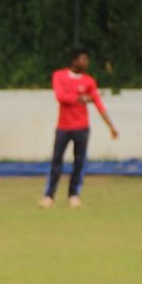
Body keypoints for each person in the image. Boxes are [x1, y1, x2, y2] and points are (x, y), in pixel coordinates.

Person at [40, 48, 118, 209]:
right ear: (74, 60)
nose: (86, 63)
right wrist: (80, 98)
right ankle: (49, 196)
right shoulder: (59, 76)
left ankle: (73, 195)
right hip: (63, 127)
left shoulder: (89, 81)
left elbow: (98, 104)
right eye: (83, 59)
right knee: (56, 162)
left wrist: (111, 126)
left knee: (79, 162)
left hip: (82, 128)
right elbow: (60, 97)